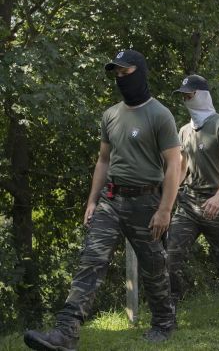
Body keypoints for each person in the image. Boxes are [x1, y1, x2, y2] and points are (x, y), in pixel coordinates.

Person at [24, 50, 181, 350]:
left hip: (147, 203)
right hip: (111, 201)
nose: (122, 79)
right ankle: (65, 331)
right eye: (117, 74)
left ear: (141, 72)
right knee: (90, 261)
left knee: (154, 266)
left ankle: (164, 321)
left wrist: (165, 209)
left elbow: (174, 164)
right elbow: (103, 161)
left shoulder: (160, 115)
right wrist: (92, 202)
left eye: (127, 72)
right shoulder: (110, 115)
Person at [165, 75, 219, 328]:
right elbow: (181, 167)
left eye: (190, 94)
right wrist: (167, 198)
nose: (186, 99)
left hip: (217, 204)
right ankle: (167, 315)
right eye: (184, 95)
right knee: (171, 257)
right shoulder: (184, 130)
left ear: (202, 94)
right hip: (189, 202)